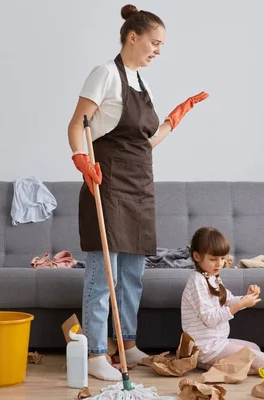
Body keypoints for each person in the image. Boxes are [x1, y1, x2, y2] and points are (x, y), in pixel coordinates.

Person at [67, 4, 209, 381]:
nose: (158, 50)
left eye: (161, 45)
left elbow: (145, 143)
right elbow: (76, 124)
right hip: (108, 183)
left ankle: (126, 344)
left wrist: (175, 119)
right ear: (133, 36)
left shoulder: (139, 80)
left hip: (140, 188)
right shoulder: (104, 75)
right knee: (104, 276)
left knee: (132, 275)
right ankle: (97, 353)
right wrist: (81, 159)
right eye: (155, 42)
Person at [181, 227, 264, 373]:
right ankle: (207, 362)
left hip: (218, 342)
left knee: (255, 348)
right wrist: (240, 305)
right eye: (213, 259)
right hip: (206, 347)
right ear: (197, 256)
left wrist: (245, 298)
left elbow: (229, 300)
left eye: (222, 258)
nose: (219, 264)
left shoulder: (212, 277)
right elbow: (210, 319)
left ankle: (209, 365)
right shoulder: (197, 281)